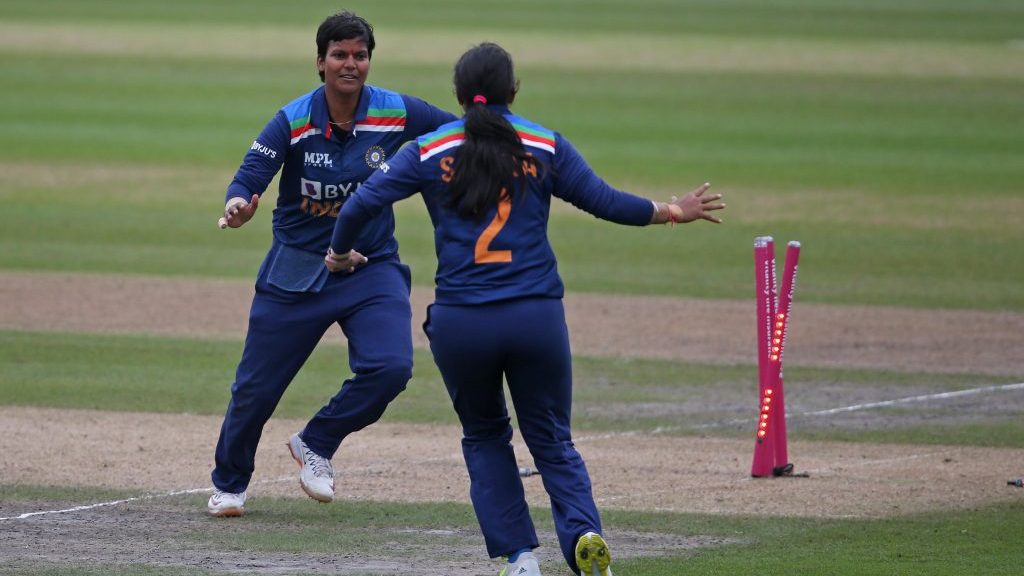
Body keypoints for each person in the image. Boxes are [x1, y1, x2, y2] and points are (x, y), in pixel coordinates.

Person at [326, 42, 725, 576]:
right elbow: (607, 202)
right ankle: (583, 534)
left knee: (485, 435)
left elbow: (359, 204)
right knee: (552, 438)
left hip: (463, 323)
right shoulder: (544, 144)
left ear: (458, 94)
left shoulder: (426, 149)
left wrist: (340, 254)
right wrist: (674, 209)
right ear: (514, 91)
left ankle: (519, 558)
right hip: (535, 318)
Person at [206, 11, 457, 518]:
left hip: (371, 267)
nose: (350, 64)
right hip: (297, 270)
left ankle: (316, 441)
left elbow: (456, 132)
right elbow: (250, 174)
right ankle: (229, 484)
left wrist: (499, 142)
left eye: (360, 55)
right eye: (339, 55)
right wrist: (238, 205)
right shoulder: (293, 119)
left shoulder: (395, 111)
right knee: (255, 390)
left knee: (390, 368)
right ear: (320, 62)